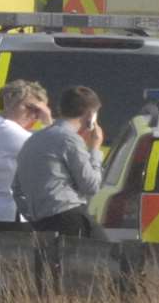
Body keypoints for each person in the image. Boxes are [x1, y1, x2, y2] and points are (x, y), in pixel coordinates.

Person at [12, 85, 105, 237]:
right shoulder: (70, 139)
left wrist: (34, 217)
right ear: (91, 115)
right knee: (108, 256)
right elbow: (91, 186)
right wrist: (95, 148)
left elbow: (17, 189)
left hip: (41, 221)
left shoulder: (33, 139)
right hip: (69, 215)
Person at [0, 80, 50, 232]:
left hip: (2, 210)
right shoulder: (5, 130)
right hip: (12, 212)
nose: (34, 115)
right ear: (9, 102)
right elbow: (51, 149)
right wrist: (47, 120)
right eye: (30, 107)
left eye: (38, 111)